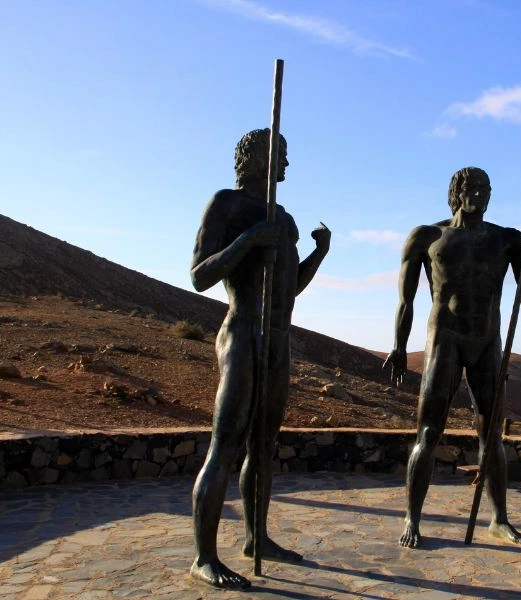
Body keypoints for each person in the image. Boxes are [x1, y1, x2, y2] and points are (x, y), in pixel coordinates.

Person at [189, 129, 330, 589]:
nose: (286, 165)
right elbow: (199, 276)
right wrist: (248, 240)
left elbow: (289, 289)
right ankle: (204, 557)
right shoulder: (225, 204)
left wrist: (318, 254)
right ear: (255, 158)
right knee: (225, 446)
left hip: (278, 339)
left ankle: (257, 537)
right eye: (280, 155)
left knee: (263, 448)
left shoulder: (285, 218)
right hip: (243, 331)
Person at [384, 166, 521, 549]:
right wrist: (400, 346)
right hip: (445, 339)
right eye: (471, 187)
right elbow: (406, 300)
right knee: (428, 431)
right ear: (455, 192)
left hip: (487, 341)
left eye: (485, 188)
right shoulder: (428, 237)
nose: (479, 194)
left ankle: (499, 520)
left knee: (492, 435)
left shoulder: (506, 240)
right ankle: (412, 517)